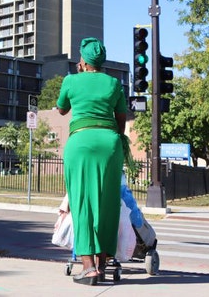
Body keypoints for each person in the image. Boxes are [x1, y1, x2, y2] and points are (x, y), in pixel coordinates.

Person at [56, 37, 128, 286]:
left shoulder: (71, 80)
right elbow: (121, 119)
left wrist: (78, 76)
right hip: (110, 143)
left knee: (82, 202)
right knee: (108, 204)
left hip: (81, 142)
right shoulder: (113, 83)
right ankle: (102, 265)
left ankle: (88, 269)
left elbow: (62, 109)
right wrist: (116, 142)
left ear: (83, 61)